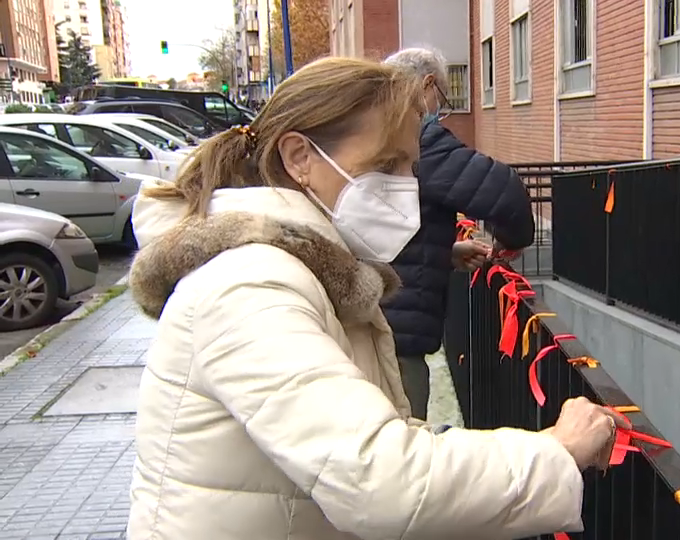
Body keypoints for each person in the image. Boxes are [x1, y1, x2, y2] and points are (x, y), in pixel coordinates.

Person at [125, 56, 625, 540]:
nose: (406, 189)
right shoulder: (250, 285)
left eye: (409, 167)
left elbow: (365, 446)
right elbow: (378, 476)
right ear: (299, 157)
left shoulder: (305, 271)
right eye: (386, 165)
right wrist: (556, 450)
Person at [383, 47, 535, 420]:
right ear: (428, 84)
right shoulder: (416, 137)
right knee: (401, 450)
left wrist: (444, 252)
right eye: (441, 100)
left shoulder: (367, 135)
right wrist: (510, 240)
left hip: (371, 322)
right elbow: (507, 194)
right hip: (395, 342)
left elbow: (383, 223)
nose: (440, 110)